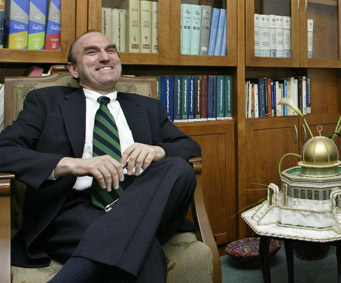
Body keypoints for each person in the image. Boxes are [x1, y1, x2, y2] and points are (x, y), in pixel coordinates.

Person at [0, 30, 201, 282]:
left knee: (177, 168)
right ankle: (125, 230)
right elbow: (4, 151)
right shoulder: (45, 102)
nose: (105, 57)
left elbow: (189, 146)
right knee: (145, 251)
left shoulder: (147, 107)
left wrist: (157, 150)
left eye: (111, 50)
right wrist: (72, 164)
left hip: (145, 205)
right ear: (74, 69)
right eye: (92, 52)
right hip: (74, 212)